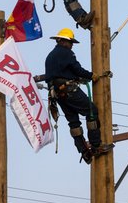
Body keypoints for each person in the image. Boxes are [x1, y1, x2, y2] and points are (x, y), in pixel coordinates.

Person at [40, 28, 109, 163]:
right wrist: (91, 75)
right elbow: (76, 68)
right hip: (68, 90)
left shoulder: (50, 56)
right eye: (70, 42)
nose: (71, 46)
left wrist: (78, 78)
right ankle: (96, 146)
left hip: (57, 94)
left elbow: (63, 72)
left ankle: (84, 151)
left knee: (74, 122)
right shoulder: (66, 53)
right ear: (63, 41)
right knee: (91, 111)